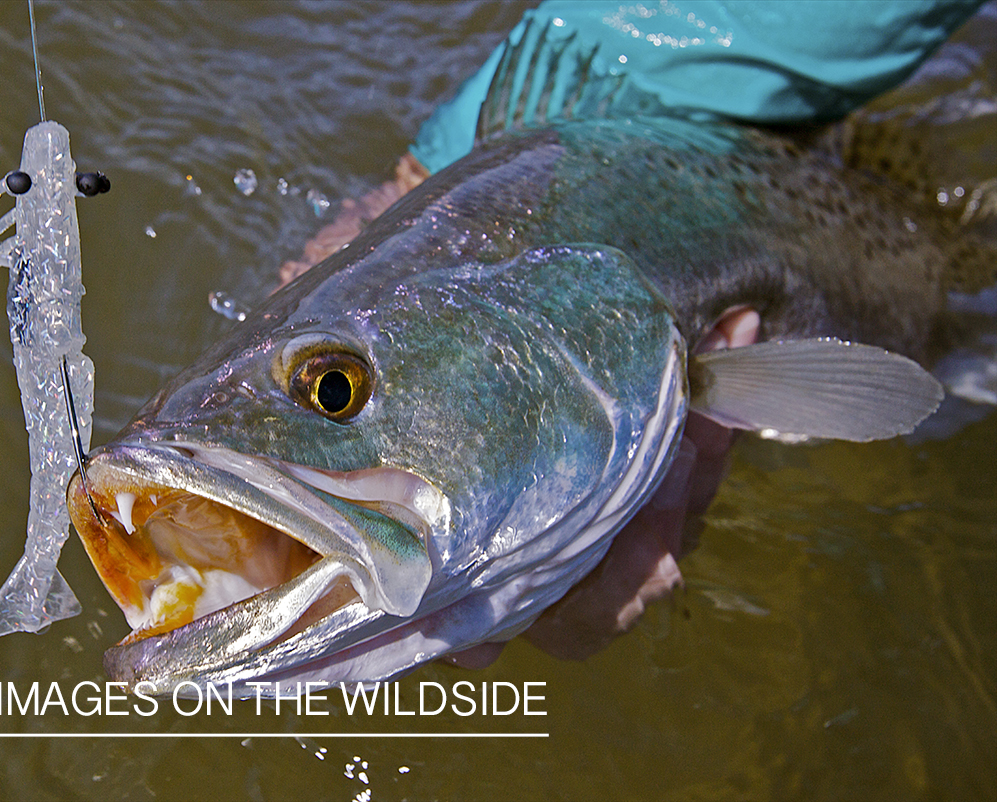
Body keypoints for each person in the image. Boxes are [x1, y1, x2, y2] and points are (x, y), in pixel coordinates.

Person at [279, 0, 985, 665]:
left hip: (944, 299)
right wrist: (437, 171)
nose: (331, 393)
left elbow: (890, 395)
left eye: (335, 389)